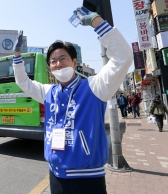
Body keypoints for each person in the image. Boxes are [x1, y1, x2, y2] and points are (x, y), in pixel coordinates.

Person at [12, 8, 132, 194]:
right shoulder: (48, 92)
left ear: (75, 63)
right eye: (53, 61)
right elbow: (23, 82)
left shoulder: (94, 86)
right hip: (56, 174)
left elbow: (123, 57)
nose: (58, 64)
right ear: (50, 67)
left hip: (87, 177)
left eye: (63, 59)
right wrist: (17, 57)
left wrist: (96, 22)